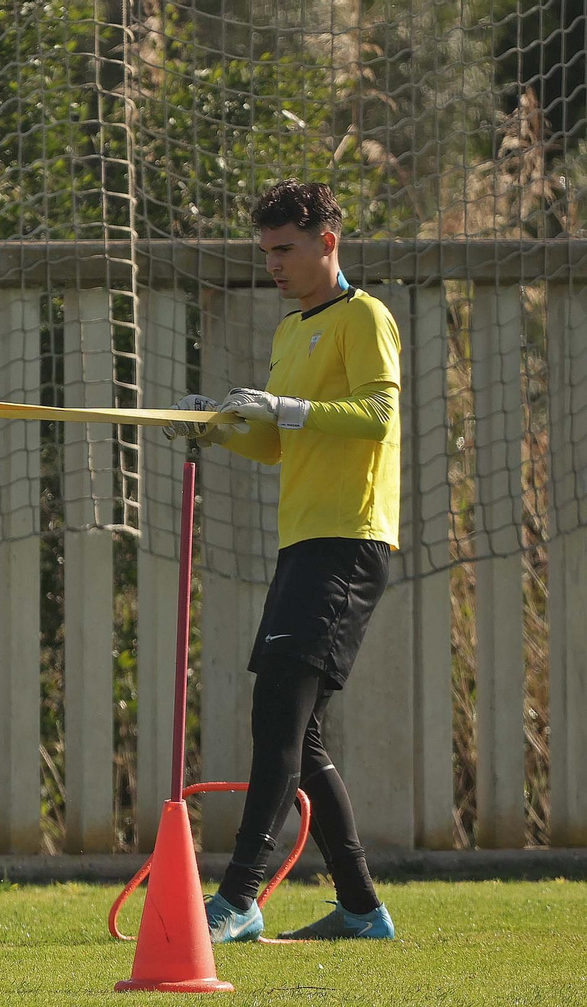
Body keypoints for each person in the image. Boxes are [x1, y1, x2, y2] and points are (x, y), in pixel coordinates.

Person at [166, 179, 399, 942]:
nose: (272, 264)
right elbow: (272, 443)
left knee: (277, 717)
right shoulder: (287, 332)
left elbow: (376, 416)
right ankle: (363, 910)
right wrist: (219, 427)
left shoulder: (364, 317)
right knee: (302, 736)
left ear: (326, 243)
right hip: (302, 545)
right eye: (264, 251)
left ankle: (236, 898)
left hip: (349, 542)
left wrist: (286, 409)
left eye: (284, 249)